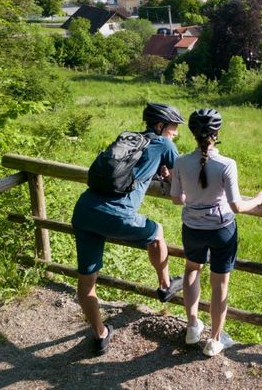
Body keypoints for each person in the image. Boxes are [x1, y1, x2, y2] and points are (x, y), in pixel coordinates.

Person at [72, 103, 187, 356]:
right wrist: (167, 176)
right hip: (116, 215)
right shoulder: (163, 144)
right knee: (156, 232)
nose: (176, 133)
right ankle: (166, 285)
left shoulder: (132, 140)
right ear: (160, 126)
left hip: (84, 210)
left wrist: (158, 171)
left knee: (87, 279)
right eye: (173, 128)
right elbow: (183, 175)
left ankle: (100, 335)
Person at [170, 108, 262, 357]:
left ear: (193, 133)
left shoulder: (180, 162)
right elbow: (236, 206)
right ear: (217, 133)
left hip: (192, 227)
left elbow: (176, 198)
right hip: (221, 229)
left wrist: (192, 196)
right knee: (220, 283)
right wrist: (259, 199)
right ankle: (214, 340)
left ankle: (192, 326)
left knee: (192, 269)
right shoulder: (226, 164)